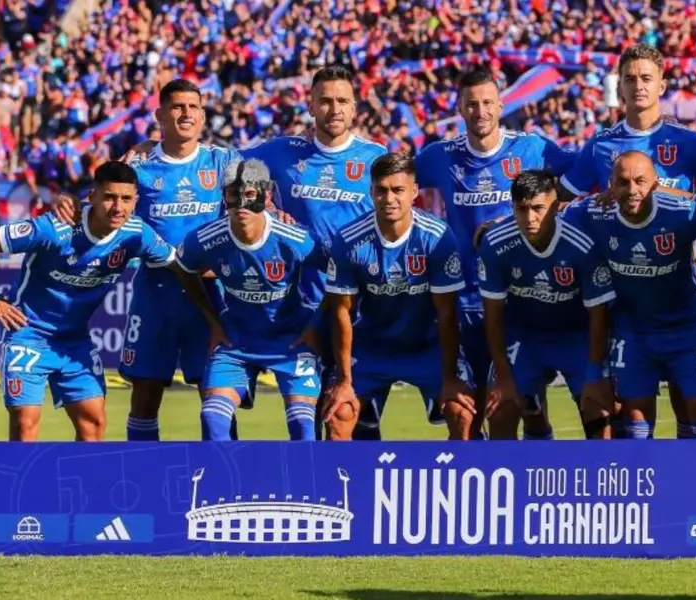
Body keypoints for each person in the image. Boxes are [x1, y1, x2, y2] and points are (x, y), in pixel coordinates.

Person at [0, 161, 226, 441]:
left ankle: (79, 486)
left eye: (126, 199)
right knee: (25, 422)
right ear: (92, 196)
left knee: (94, 425)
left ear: (136, 201)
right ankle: (25, 485)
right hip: (28, 333)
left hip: (74, 340)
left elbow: (179, 267)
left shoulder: (136, 233)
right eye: (109, 197)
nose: (118, 207)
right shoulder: (56, 227)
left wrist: (214, 311)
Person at [50, 79, 243, 442]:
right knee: (145, 396)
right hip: (156, 293)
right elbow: (102, 201)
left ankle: (223, 481)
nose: (185, 113)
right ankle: (144, 482)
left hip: (212, 294)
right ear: (160, 115)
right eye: (176, 106)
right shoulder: (139, 166)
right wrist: (69, 201)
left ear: (203, 116)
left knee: (217, 399)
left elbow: (252, 203)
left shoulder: (224, 161)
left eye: (193, 107)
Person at [555, 43, 696, 439]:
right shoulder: (600, 145)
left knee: (689, 406)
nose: (639, 86)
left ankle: (692, 493)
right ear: (619, 88)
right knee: (634, 420)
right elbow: (563, 201)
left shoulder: (692, 145)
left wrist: (666, 201)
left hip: (679, 284)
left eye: (647, 78)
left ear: (662, 84)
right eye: (630, 79)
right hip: (625, 302)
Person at [415, 69, 576, 440]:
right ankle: (473, 489)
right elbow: (392, 185)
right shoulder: (439, 156)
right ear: (459, 108)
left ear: (501, 105)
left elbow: (581, 179)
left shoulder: (533, 149)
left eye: (488, 102)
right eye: (471, 104)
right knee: (463, 416)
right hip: (462, 303)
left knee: (518, 408)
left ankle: (530, 483)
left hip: (517, 303)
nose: (480, 111)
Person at [239, 65, 388, 438]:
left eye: (342, 101)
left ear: (355, 108)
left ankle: (362, 489)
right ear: (310, 105)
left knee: (358, 413)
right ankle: (321, 489)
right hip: (302, 305)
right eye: (325, 100)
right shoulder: (281, 152)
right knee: (315, 413)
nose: (334, 109)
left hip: (359, 307)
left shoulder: (376, 159)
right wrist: (265, 208)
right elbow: (220, 162)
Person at [562, 151, 696, 439]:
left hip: (688, 329)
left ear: (656, 183)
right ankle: (648, 483)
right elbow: (550, 211)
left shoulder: (682, 211)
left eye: (641, 181)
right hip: (633, 333)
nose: (632, 190)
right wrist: (496, 224)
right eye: (622, 182)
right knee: (635, 421)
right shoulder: (594, 212)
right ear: (610, 184)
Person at [321, 153, 475, 441]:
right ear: (371, 192)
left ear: (414, 192)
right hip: (371, 347)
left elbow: (447, 313)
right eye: (381, 190)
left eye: (398, 190)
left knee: (462, 412)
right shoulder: (349, 240)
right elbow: (341, 312)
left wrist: (451, 378)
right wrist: (343, 380)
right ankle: (343, 485)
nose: (389, 198)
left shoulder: (438, 237)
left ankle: (458, 481)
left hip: (426, 347)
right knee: (338, 414)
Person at [176, 158, 328, 441]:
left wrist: (315, 326)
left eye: (249, 195)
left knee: (303, 424)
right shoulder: (205, 239)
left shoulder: (295, 238)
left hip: (291, 342)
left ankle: (307, 485)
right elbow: (185, 271)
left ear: (266, 194)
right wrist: (213, 322)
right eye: (233, 195)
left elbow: (338, 274)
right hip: (236, 342)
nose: (241, 205)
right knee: (212, 417)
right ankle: (223, 485)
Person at [478, 170, 615, 439]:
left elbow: (599, 314)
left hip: (577, 337)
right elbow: (492, 315)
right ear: (513, 208)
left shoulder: (582, 245)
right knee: (501, 409)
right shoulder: (495, 244)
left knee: (599, 410)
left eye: (538, 208)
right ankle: (511, 477)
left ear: (554, 206)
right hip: (524, 337)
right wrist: (503, 379)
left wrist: (595, 373)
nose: (530, 218)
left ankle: (604, 476)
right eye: (522, 209)